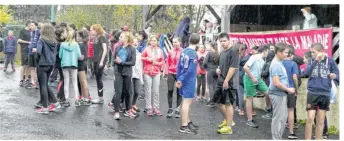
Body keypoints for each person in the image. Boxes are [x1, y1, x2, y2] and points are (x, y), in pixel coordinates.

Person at [304, 43, 338, 140]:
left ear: (321, 51)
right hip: (312, 92)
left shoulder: (330, 61)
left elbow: (338, 75)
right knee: (310, 117)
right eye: (311, 52)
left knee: (321, 120)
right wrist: (315, 61)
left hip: (325, 92)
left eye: (313, 52)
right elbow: (306, 73)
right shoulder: (311, 61)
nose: (312, 54)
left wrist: (334, 76)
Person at [212, 33, 240, 134]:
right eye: (221, 41)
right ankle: (228, 120)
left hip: (229, 82)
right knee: (219, 102)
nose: (223, 43)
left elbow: (233, 67)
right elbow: (221, 65)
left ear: (229, 40)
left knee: (228, 104)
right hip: (221, 80)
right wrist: (218, 69)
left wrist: (227, 80)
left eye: (224, 41)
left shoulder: (233, 51)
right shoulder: (223, 52)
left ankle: (229, 128)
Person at [268, 42, 295, 140]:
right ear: (279, 52)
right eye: (285, 52)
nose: (287, 55)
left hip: (281, 94)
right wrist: (288, 89)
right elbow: (276, 83)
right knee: (278, 119)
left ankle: (278, 138)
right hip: (277, 94)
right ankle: (276, 138)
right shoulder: (275, 64)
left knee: (282, 118)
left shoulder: (279, 62)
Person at [35, 23, 61, 114]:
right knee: (45, 84)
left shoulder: (41, 40)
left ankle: (45, 107)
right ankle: (55, 102)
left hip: (42, 64)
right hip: (51, 65)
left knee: (42, 85)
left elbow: (38, 51)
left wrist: (36, 55)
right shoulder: (54, 41)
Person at [176, 33, 200, 134]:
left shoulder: (183, 51)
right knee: (187, 102)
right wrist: (181, 79)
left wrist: (179, 78)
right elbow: (190, 70)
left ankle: (188, 121)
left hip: (182, 77)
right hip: (188, 79)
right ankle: (184, 125)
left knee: (186, 102)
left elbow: (179, 66)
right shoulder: (193, 54)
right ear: (198, 42)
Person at [111, 31, 137, 120]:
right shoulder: (117, 47)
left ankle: (128, 110)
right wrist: (116, 61)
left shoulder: (132, 49)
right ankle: (117, 111)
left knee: (128, 92)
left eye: (121, 37)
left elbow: (133, 62)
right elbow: (113, 60)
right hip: (118, 72)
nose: (119, 38)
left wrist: (122, 62)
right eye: (120, 37)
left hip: (127, 72)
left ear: (126, 38)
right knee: (118, 92)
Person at [243, 45, 269, 128]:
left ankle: (270, 111)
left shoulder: (263, 60)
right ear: (265, 51)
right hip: (249, 78)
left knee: (269, 93)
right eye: (268, 51)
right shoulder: (254, 57)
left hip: (258, 79)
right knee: (249, 98)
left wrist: (257, 78)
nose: (268, 53)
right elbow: (245, 68)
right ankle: (249, 120)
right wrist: (253, 77)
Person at [141, 34, 164, 116]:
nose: (153, 42)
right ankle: (149, 108)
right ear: (149, 41)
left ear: (157, 42)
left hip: (156, 72)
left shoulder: (160, 50)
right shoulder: (146, 49)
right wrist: (147, 59)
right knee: (148, 90)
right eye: (152, 40)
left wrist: (156, 63)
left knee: (156, 91)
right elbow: (141, 57)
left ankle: (156, 107)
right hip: (147, 72)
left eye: (155, 41)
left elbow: (162, 62)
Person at [59, 29, 82, 107]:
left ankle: (66, 100)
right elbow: (79, 55)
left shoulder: (62, 44)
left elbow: (60, 56)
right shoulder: (76, 45)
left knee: (66, 82)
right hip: (73, 64)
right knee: (75, 82)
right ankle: (77, 100)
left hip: (65, 64)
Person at [282, 46, 299, 139]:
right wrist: (297, 88)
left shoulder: (279, 63)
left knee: (280, 111)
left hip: (280, 88)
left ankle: (278, 132)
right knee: (291, 110)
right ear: (291, 54)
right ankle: (291, 132)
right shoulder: (293, 64)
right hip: (291, 89)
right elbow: (295, 77)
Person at [164, 37, 183, 118]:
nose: (174, 44)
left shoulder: (183, 52)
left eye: (176, 42)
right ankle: (170, 108)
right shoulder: (170, 52)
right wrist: (166, 72)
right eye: (173, 42)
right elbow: (167, 62)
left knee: (179, 91)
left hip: (179, 73)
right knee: (170, 89)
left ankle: (177, 109)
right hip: (171, 72)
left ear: (180, 42)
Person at [90, 24, 108, 104]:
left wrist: (102, 61)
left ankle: (101, 98)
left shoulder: (102, 37)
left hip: (100, 59)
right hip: (95, 59)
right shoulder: (95, 38)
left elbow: (105, 49)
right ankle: (99, 97)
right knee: (97, 77)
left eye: (92, 30)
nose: (91, 31)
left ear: (96, 30)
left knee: (99, 77)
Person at [76, 29, 92, 106]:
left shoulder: (81, 45)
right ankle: (83, 97)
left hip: (81, 64)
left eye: (78, 36)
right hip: (83, 63)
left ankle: (86, 98)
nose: (77, 37)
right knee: (81, 81)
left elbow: (81, 57)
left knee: (83, 81)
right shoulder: (84, 44)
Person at [203, 42, 220, 108]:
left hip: (210, 71)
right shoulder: (218, 53)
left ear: (211, 46)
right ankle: (216, 100)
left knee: (210, 86)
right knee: (215, 86)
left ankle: (212, 101)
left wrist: (206, 68)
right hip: (216, 70)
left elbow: (204, 62)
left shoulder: (209, 53)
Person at [130, 38, 144, 114]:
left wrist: (141, 77)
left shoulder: (139, 54)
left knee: (137, 91)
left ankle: (133, 104)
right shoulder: (129, 52)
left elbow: (141, 66)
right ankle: (129, 107)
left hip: (137, 75)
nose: (135, 43)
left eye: (136, 42)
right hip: (130, 75)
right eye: (133, 42)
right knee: (131, 92)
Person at [18, 20, 32, 86]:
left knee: (29, 65)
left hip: (31, 50)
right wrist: (28, 42)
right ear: (28, 24)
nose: (32, 26)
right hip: (24, 49)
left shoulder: (32, 31)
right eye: (31, 24)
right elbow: (19, 40)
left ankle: (26, 78)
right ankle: (21, 79)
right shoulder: (22, 31)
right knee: (23, 65)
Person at [28, 21, 40, 89]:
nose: (30, 27)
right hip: (30, 52)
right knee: (32, 67)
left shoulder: (39, 32)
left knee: (37, 67)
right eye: (30, 25)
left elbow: (40, 42)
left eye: (32, 25)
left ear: (36, 25)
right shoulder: (31, 32)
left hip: (36, 52)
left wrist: (37, 48)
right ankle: (32, 82)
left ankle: (37, 81)